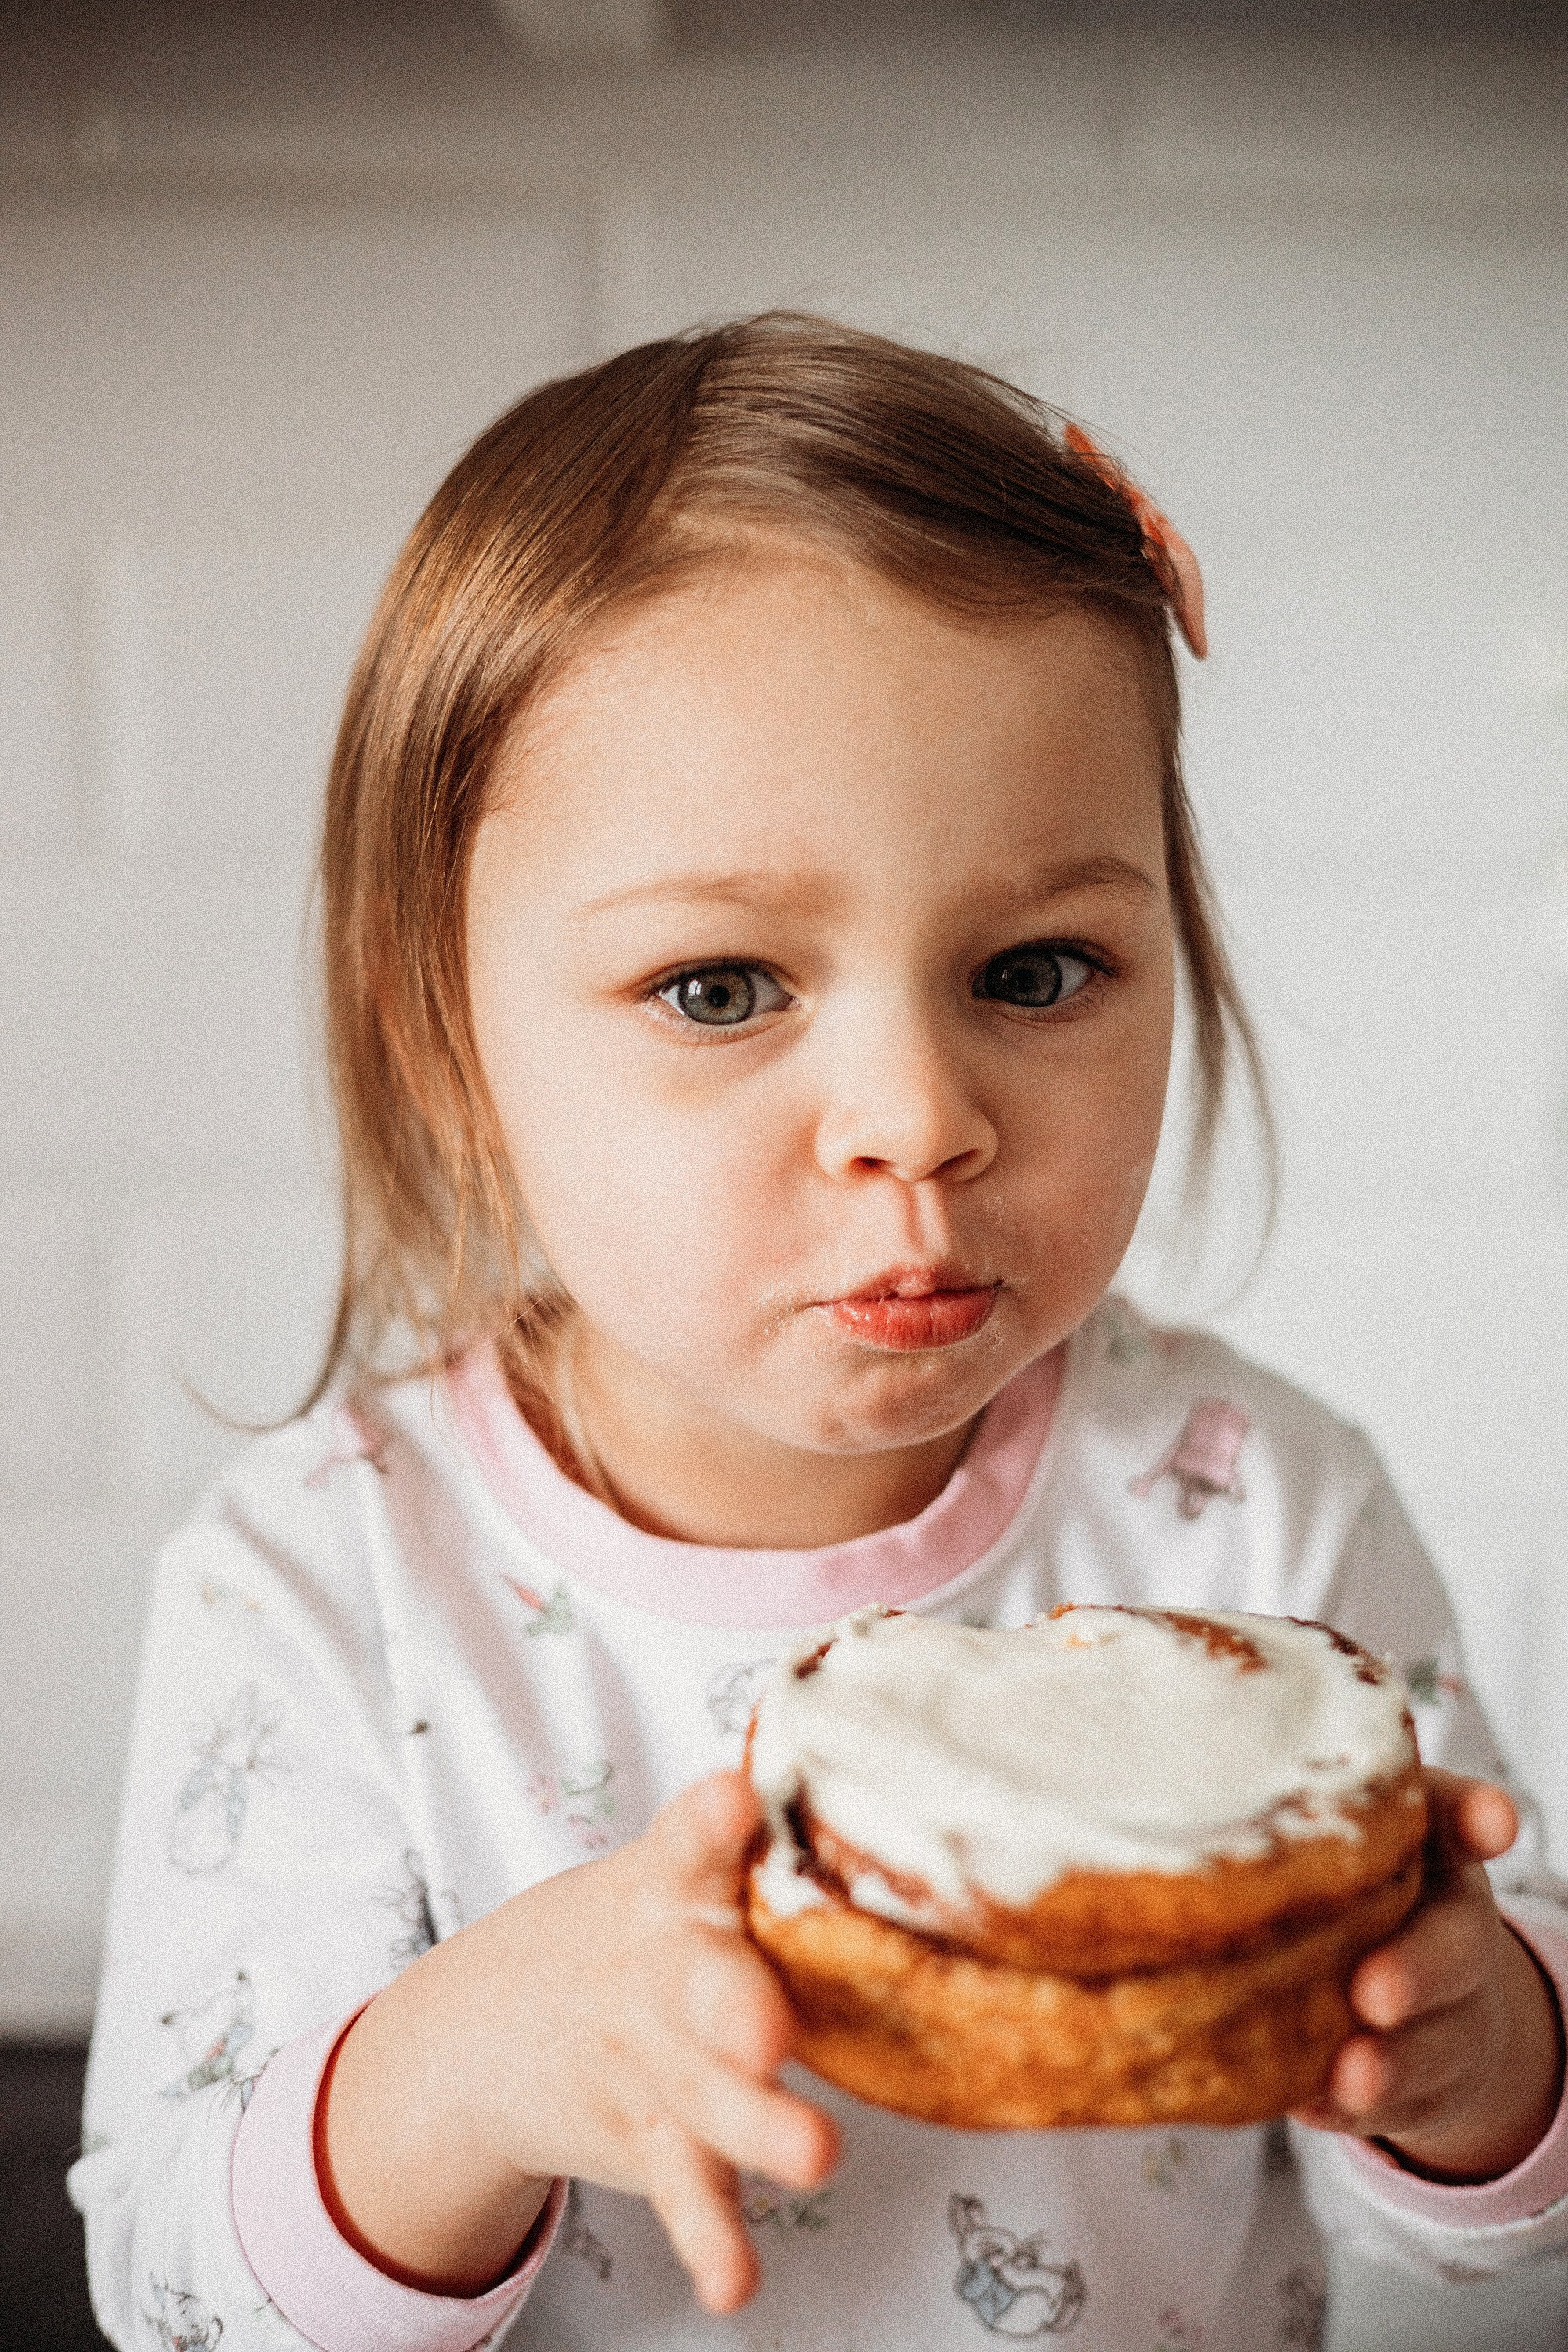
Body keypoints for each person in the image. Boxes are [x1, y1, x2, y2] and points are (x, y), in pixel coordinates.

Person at [71, 316, 1568, 2352]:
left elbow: (1490, 2233)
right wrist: (465, 2072)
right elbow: (170, 2295)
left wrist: (1493, 2074)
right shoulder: (327, 1593)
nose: (917, 1119)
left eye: (1037, 968)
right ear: (446, 1027)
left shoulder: (1256, 1525)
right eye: (719, 989)